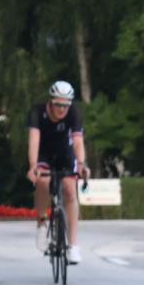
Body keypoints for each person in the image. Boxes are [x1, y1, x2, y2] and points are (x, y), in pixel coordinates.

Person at [25, 81, 90, 263]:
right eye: (58, 104)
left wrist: (82, 164)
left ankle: (73, 246)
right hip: (44, 152)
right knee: (43, 182)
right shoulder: (37, 113)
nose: (62, 109)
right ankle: (41, 223)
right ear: (50, 101)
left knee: (70, 190)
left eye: (65, 105)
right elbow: (34, 140)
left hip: (64, 152)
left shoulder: (74, 112)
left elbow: (77, 142)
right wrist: (33, 166)